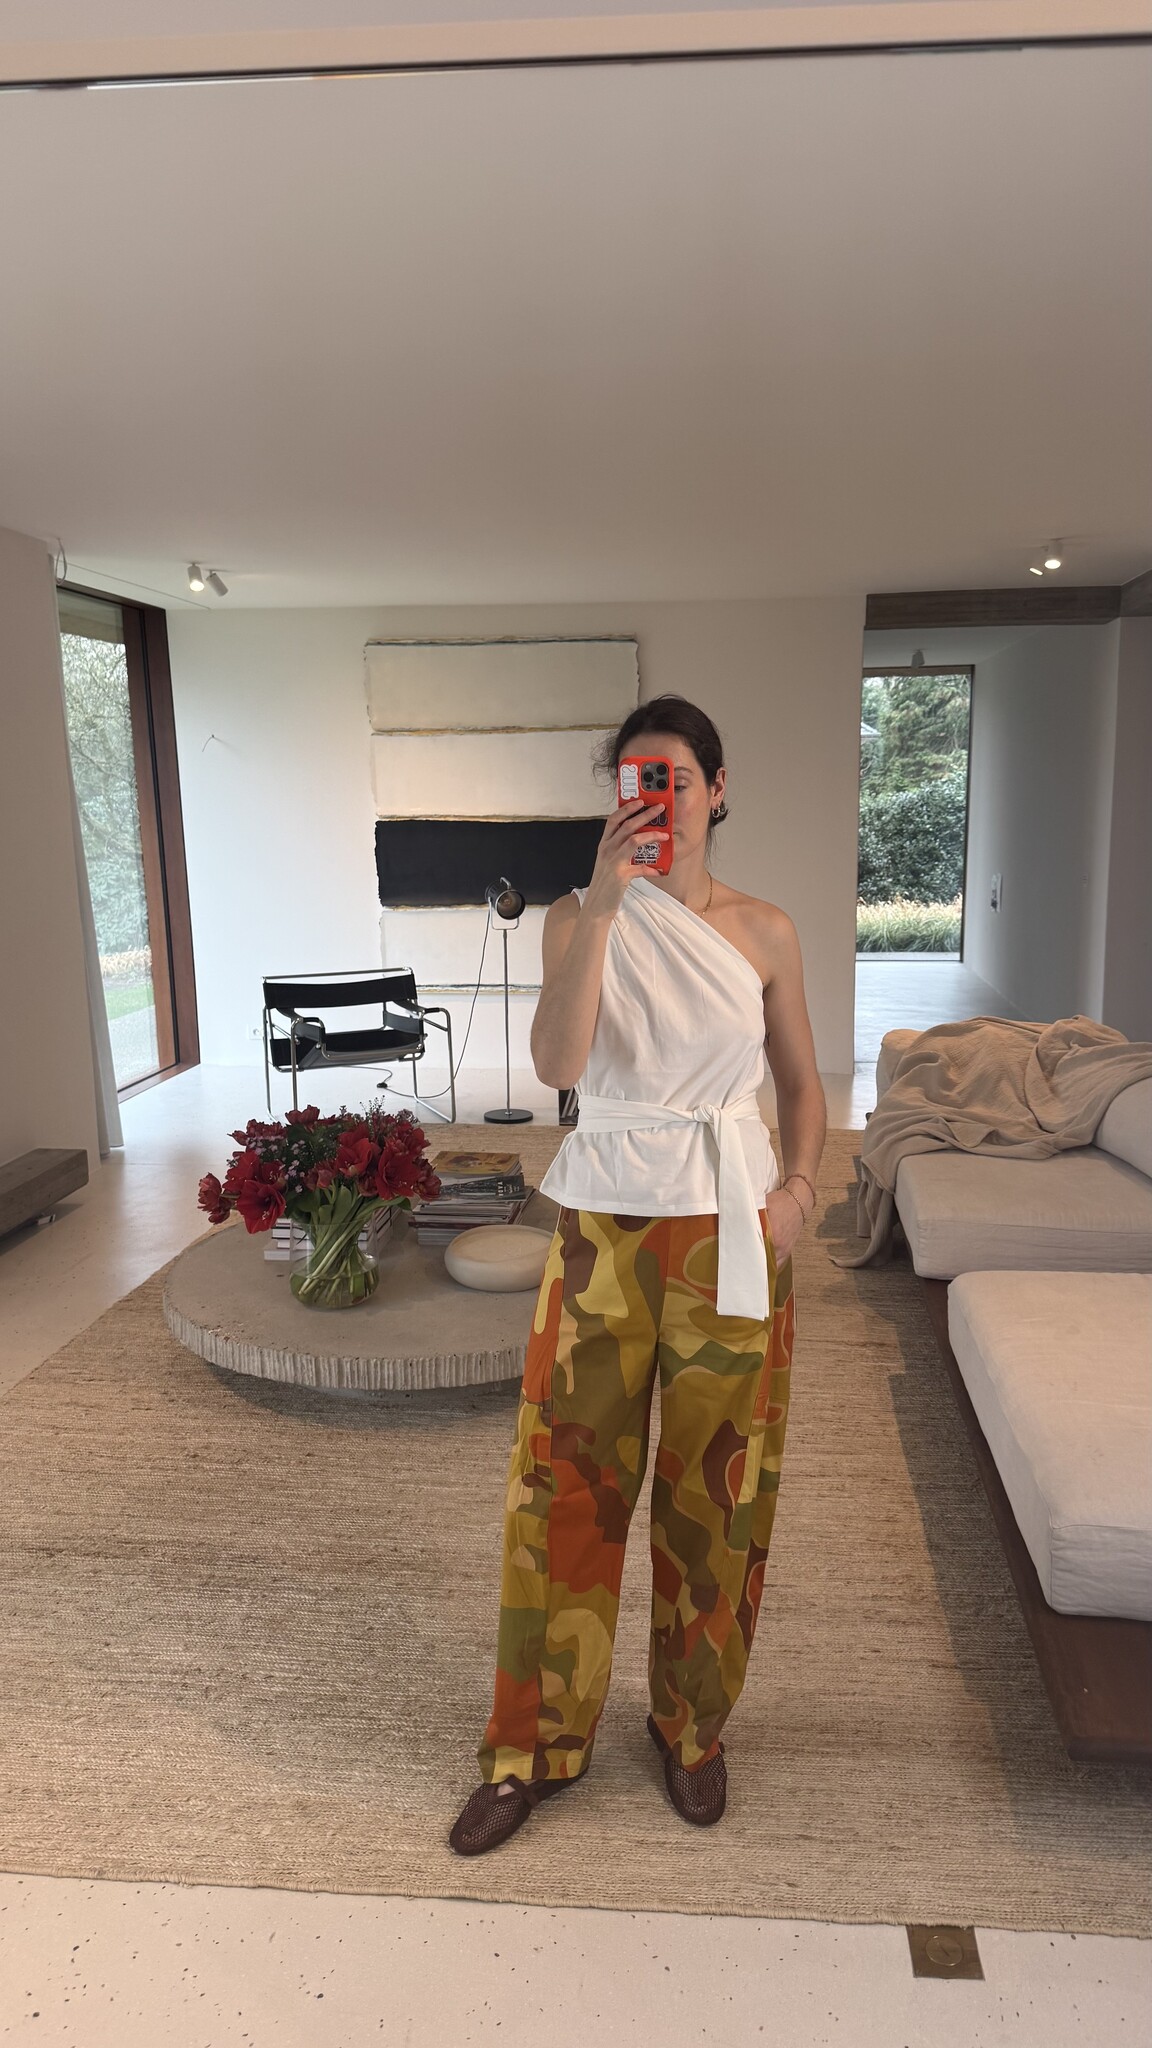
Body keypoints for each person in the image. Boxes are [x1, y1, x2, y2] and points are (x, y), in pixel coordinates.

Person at [448, 694, 827, 1856]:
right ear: (617, 799)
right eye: (635, 781)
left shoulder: (765, 929)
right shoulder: (578, 915)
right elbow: (557, 1062)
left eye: (676, 780)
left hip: (730, 1230)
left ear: (718, 788)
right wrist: (606, 904)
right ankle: (532, 1744)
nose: (658, 801)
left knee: (718, 1494)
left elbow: (802, 1085)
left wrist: (799, 1191)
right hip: (603, 1227)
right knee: (561, 1485)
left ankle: (690, 1728)